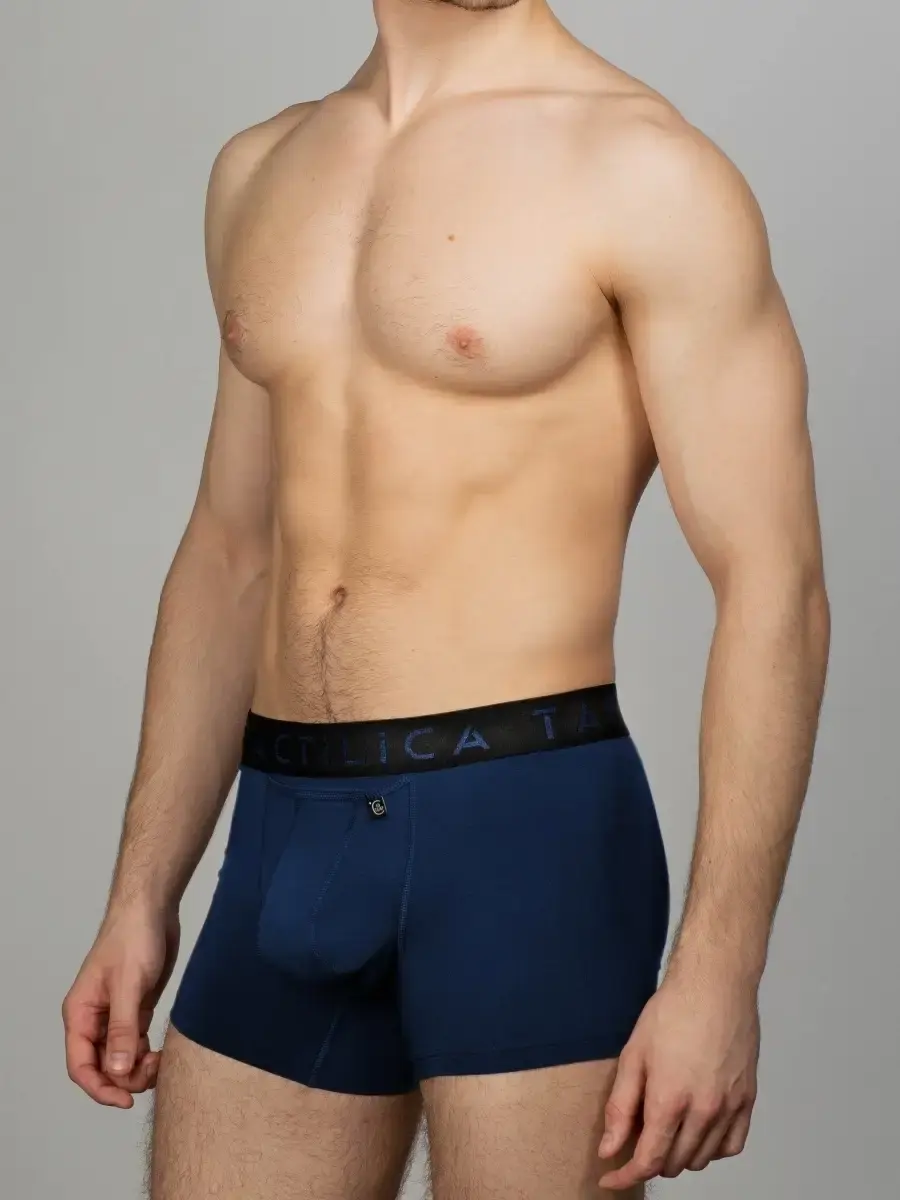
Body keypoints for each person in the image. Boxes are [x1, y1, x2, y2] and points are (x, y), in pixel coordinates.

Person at [62, 1, 830, 1196]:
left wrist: (722, 973)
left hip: (526, 837)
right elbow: (230, 551)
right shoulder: (263, 168)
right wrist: (140, 893)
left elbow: (775, 581)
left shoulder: (643, 168)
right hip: (285, 833)